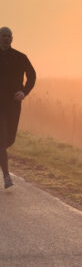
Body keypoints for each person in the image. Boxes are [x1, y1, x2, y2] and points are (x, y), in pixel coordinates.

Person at [0, 27, 36, 188]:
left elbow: (32, 75)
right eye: (3, 36)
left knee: (10, 139)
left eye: (9, 36)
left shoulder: (20, 57)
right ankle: (6, 176)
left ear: (12, 39)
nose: (6, 38)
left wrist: (24, 91)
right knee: (1, 140)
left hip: (13, 104)